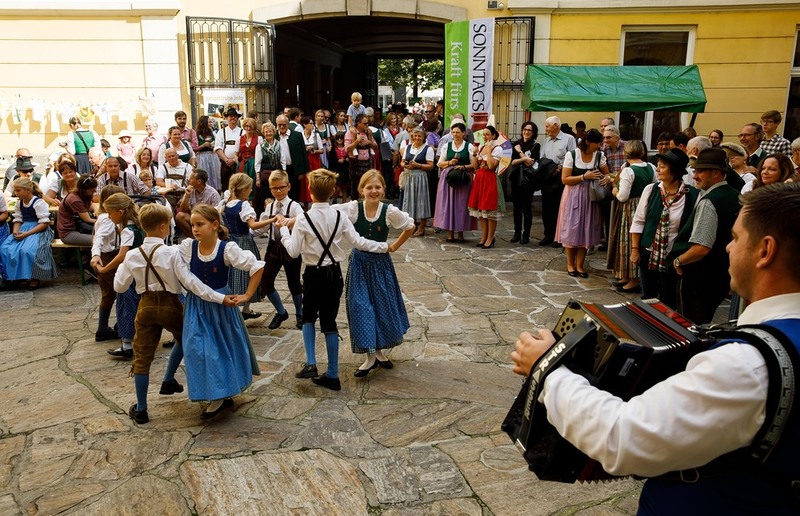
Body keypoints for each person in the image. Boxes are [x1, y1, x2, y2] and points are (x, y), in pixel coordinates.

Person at [511, 181, 800, 516]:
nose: (727, 248)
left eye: (735, 238)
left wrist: (548, 368)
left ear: (766, 251)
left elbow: (622, 437)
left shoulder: (746, 366)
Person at [114, 202, 236, 424]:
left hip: (146, 306)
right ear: (164, 227)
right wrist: (219, 297)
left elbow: (119, 287)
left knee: (142, 357)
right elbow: (189, 281)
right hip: (172, 304)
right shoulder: (172, 252)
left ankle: (141, 409)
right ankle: (169, 378)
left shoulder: (132, 255)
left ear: (142, 227)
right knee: (185, 338)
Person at [277, 168, 390, 391]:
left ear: (309, 191)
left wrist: (283, 231)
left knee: (308, 317)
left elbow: (292, 251)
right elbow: (359, 242)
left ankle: (311, 363)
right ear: (333, 192)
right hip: (334, 275)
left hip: (313, 274)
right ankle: (332, 373)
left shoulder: (303, 219)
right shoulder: (340, 216)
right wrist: (385, 246)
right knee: (329, 321)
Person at [162, 204, 263, 419]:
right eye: (193, 225)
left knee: (223, 348)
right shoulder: (188, 247)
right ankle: (217, 393)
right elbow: (167, 257)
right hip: (197, 307)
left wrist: (246, 295)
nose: (195, 229)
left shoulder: (226, 249)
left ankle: (221, 395)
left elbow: (257, 266)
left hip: (222, 307)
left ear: (215, 225)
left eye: (200, 224)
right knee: (200, 349)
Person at [335, 170, 414, 377]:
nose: (373, 191)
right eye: (369, 187)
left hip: (380, 266)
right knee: (361, 307)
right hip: (360, 264)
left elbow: (410, 225)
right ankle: (369, 356)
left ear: (383, 190)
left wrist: (395, 245)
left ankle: (378, 351)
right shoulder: (353, 208)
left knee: (380, 307)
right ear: (361, 190)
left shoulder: (388, 211)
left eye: (377, 187)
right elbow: (329, 212)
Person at [670, 148, 741, 324]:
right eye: (695, 171)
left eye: (700, 171)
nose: (695, 176)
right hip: (720, 274)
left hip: (699, 277)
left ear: (716, 173)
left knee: (690, 324)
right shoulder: (735, 195)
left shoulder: (710, 201)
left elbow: (701, 248)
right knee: (702, 319)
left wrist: (679, 261)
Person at [630, 148, 699, 302]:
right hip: (649, 252)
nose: (657, 169)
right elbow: (639, 221)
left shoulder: (693, 195)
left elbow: (693, 229)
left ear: (674, 170)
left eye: (662, 166)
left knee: (669, 298)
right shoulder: (651, 190)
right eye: (658, 165)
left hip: (674, 256)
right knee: (648, 296)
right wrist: (635, 250)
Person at [255, 170, 304, 330]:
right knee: (266, 282)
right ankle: (281, 312)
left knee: (294, 283)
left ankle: (300, 313)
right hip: (273, 248)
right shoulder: (269, 207)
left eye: (281, 187)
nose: (278, 191)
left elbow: (304, 220)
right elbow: (260, 229)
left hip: (290, 247)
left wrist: (290, 221)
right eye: (274, 188)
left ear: (288, 186)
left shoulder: (294, 206)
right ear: (270, 188)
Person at [556, 128, 609, 277]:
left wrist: (607, 178)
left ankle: (580, 265)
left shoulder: (599, 156)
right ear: (587, 142)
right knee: (571, 229)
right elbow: (565, 179)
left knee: (587, 229)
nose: (599, 146)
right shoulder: (572, 155)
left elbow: (607, 174)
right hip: (573, 195)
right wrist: (584, 177)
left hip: (591, 196)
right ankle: (570, 265)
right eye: (597, 143)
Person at [97, 193, 145, 359]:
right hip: (141, 272)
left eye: (110, 213)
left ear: (121, 212)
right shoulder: (138, 226)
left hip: (129, 275)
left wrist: (104, 269)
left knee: (125, 308)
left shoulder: (128, 231)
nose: (109, 217)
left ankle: (126, 344)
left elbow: (122, 255)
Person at [219, 174, 270, 319]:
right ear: (243, 189)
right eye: (249, 188)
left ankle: (245, 309)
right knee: (249, 273)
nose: (251, 191)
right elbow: (253, 225)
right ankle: (242, 306)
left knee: (233, 274)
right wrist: (271, 219)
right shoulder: (243, 205)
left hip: (229, 241)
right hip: (243, 241)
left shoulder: (225, 203)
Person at [607, 140, 655, 293]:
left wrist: (614, 189)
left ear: (625, 153)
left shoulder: (629, 171)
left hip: (630, 209)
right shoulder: (651, 167)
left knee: (627, 242)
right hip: (646, 205)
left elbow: (622, 196)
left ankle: (633, 279)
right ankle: (626, 276)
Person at [0, 178, 58, 289]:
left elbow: (44, 223)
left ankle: (34, 277)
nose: (15, 193)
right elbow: (18, 219)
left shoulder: (38, 203)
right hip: (23, 228)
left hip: (38, 229)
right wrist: (15, 231)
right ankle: (15, 276)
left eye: (18, 190)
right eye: (15, 190)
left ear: (27, 190)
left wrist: (27, 234)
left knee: (28, 250)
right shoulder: (19, 203)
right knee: (5, 248)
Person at [89, 184, 125, 342]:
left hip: (105, 256)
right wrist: (96, 255)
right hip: (108, 257)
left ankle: (103, 328)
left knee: (108, 294)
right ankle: (121, 324)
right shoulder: (108, 219)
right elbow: (99, 239)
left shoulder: (103, 217)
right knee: (121, 291)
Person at [434, 121, 477, 244]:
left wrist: (463, 167)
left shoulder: (469, 146)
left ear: (463, 133)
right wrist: (449, 163)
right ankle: (450, 233)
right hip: (448, 178)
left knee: (461, 206)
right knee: (448, 205)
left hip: (463, 178)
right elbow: (439, 163)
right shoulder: (446, 146)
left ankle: (460, 233)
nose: (455, 134)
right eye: (453, 132)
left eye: (458, 132)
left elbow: (474, 165)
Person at [540, 116, 576, 247]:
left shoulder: (569, 139)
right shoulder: (546, 141)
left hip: (561, 178)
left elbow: (572, 157)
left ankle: (558, 236)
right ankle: (547, 235)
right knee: (546, 208)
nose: (546, 129)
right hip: (547, 178)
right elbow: (542, 157)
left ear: (555, 125)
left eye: (547, 126)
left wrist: (560, 167)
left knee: (559, 209)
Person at [508, 121, 540, 244]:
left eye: (529, 130)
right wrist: (523, 158)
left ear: (533, 133)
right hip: (516, 179)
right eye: (525, 129)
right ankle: (517, 232)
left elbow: (531, 162)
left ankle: (526, 234)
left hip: (528, 180)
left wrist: (520, 153)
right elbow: (512, 162)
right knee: (516, 208)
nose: (526, 132)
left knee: (526, 208)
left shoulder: (535, 146)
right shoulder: (516, 144)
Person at [175, 170, 221, 237]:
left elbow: (217, 214)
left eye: (191, 178)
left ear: (199, 182)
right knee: (180, 216)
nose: (189, 180)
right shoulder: (190, 190)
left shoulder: (213, 194)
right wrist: (187, 196)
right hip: (194, 217)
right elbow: (183, 209)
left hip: (207, 219)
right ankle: (194, 239)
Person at [254, 121, 286, 217]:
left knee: (277, 195)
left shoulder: (279, 145)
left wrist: (284, 174)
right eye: (266, 132)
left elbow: (283, 160)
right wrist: (258, 178)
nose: (268, 133)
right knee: (264, 197)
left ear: (273, 132)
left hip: (277, 173)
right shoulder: (260, 146)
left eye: (270, 131)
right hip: (265, 177)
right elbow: (257, 163)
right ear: (263, 133)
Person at [57, 174, 97, 246]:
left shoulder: (80, 195)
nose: (94, 191)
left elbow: (91, 205)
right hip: (68, 233)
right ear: (84, 189)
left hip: (78, 228)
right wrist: (102, 220)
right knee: (100, 241)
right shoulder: (75, 200)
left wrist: (96, 211)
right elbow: (88, 219)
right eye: (91, 189)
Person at [214, 106, 243, 191]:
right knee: (225, 186)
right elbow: (218, 148)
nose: (233, 118)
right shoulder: (221, 132)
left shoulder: (242, 132)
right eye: (230, 116)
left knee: (238, 186)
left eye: (235, 116)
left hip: (237, 163)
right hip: (224, 164)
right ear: (227, 118)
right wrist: (226, 160)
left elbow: (243, 149)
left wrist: (234, 160)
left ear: (237, 118)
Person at [195, 115, 221, 191]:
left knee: (214, 175)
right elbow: (195, 149)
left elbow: (217, 144)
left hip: (212, 156)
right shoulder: (197, 134)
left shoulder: (212, 133)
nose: (211, 123)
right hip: (202, 157)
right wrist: (203, 145)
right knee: (205, 175)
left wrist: (213, 146)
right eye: (209, 122)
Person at [237, 117, 262, 189]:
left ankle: (252, 199)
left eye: (250, 126)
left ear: (253, 127)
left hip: (253, 164)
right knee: (242, 184)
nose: (248, 128)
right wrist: (239, 164)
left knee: (252, 183)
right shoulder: (239, 139)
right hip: (243, 164)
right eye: (246, 126)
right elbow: (235, 154)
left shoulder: (259, 139)